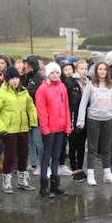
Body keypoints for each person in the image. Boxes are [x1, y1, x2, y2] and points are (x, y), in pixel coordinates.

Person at [77, 61, 112, 185]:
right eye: (100, 69)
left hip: (108, 120)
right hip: (93, 119)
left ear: (107, 71)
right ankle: (90, 174)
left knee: (107, 147)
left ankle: (107, 173)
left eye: (104, 69)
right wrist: (81, 120)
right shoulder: (91, 84)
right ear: (96, 71)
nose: (102, 71)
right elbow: (83, 103)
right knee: (92, 148)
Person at [0, 69, 37, 193]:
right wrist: (1, 128)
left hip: (23, 128)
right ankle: (6, 182)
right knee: (10, 156)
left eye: (17, 78)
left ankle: (22, 180)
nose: (15, 81)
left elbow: (31, 106)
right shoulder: (2, 93)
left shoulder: (24, 91)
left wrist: (32, 121)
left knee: (24, 154)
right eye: (11, 78)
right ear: (7, 80)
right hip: (9, 130)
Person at [34, 62, 72, 198]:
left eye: (57, 72)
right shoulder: (42, 89)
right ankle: (44, 186)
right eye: (52, 73)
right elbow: (41, 111)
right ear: (47, 74)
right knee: (46, 157)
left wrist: (68, 125)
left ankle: (55, 185)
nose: (55, 75)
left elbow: (66, 107)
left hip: (60, 128)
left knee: (56, 156)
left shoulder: (62, 87)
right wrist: (45, 128)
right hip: (49, 129)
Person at [22, 55, 45, 176]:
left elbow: (28, 91)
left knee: (38, 141)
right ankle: (33, 163)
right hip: (27, 114)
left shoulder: (38, 77)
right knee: (30, 141)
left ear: (31, 65)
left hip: (36, 114)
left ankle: (41, 164)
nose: (24, 66)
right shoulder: (26, 76)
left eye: (26, 63)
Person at [66, 60, 88, 182]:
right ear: (76, 70)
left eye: (86, 68)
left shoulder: (89, 82)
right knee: (73, 143)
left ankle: (80, 167)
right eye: (81, 69)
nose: (84, 71)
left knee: (82, 144)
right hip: (74, 115)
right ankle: (74, 168)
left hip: (85, 117)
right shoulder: (70, 82)